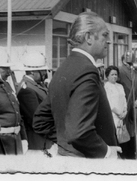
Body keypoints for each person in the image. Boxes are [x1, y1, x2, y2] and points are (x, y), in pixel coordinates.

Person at [33, 12, 121, 159]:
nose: (109, 41)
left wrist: (66, 143)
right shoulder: (86, 70)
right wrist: (106, 151)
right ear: (88, 38)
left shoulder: (63, 68)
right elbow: (79, 132)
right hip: (88, 163)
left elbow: (40, 121)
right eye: (105, 35)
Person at [17, 51, 53, 151]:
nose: (45, 73)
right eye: (43, 71)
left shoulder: (35, 85)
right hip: (37, 141)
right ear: (33, 72)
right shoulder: (27, 90)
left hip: (44, 138)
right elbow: (36, 118)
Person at [0, 54, 28, 155]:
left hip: (15, 139)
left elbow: (18, 113)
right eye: (6, 68)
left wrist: (24, 138)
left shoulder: (6, 85)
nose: (9, 72)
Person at [118, 51, 137, 159]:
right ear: (124, 60)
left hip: (134, 105)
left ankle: (133, 154)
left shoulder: (135, 71)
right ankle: (125, 154)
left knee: (133, 131)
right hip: (124, 105)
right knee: (124, 130)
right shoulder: (120, 70)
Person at [104, 65, 128, 139]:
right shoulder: (106, 86)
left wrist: (125, 111)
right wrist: (119, 113)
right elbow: (109, 103)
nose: (114, 76)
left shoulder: (120, 86)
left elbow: (124, 100)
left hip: (122, 116)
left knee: (121, 138)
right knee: (113, 136)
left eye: (116, 74)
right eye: (112, 74)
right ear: (107, 76)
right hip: (113, 115)